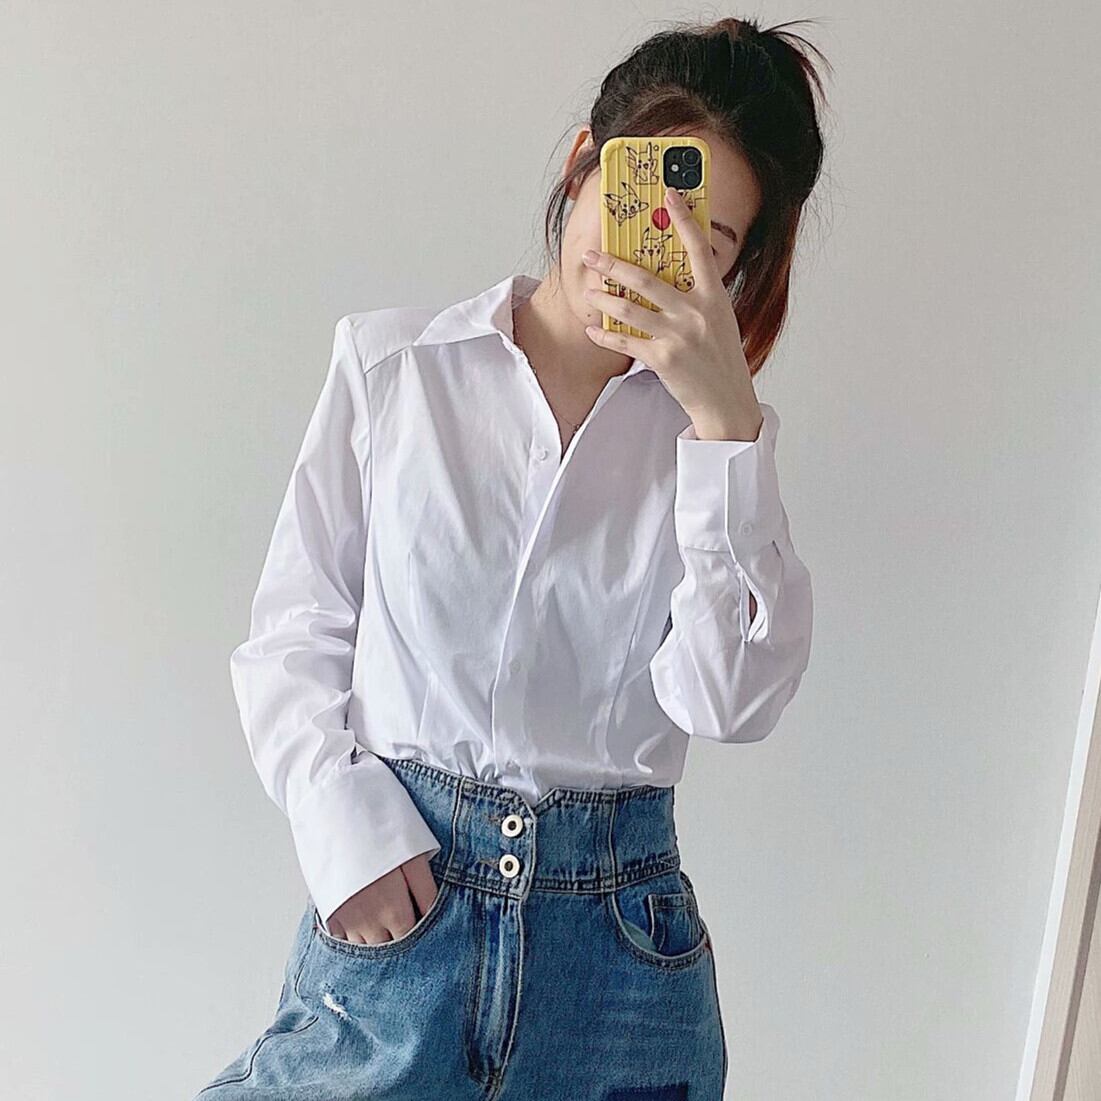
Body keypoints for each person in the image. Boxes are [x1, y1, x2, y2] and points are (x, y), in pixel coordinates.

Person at [194, 15, 827, 1100]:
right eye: (641, 204)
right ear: (582, 167)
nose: (652, 253)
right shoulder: (394, 368)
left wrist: (726, 429)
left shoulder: (713, 453)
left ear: (735, 269)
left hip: (620, 953)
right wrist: (344, 828)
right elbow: (296, 631)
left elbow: (727, 702)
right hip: (407, 907)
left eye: (708, 241)